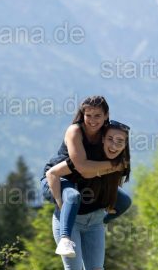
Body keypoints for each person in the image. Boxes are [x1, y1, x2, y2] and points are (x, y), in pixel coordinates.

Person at [44, 120, 132, 270]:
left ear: (125, 145)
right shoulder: (83, 161)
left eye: (120, 141)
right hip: (70, 221)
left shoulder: (120, 163)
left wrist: (102, 219)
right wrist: (61, 204)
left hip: (95, 224)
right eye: (110, 139)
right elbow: (53, 174)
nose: (114, 145)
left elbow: (116, 196)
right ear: (102, 139)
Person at [40, 96, 131, 257]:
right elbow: (82, 168)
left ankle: (97, 223)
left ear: (106, 116)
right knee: (72, 196)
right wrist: (114, 165)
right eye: (88, 115)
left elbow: (99, 169)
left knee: (124, 201)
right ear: (82, 115)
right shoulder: (75, 131)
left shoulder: (105, 134)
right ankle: (65, 239)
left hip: (82, 180)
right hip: (59, 178)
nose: (93, 120)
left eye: (98, 116)